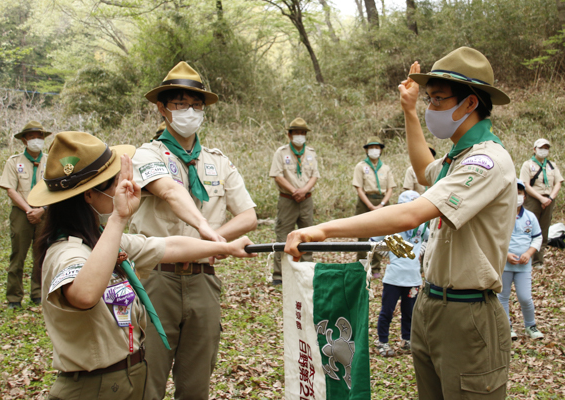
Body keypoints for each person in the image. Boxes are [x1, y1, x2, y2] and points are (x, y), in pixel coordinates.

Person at [285, 47, 516, 399]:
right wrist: (409, 110)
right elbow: (426, 170)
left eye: (438, 100)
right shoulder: (459, 158)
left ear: (470, 104)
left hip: (468, 313)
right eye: (429, 100)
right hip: (432, 301)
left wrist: (324, 229)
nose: (431, 109)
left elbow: (410, 213)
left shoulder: (486, 162)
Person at [27, 131, 255, 400]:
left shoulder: (102, 240)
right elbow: (84, 294)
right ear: (90, 195)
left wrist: (224, 247)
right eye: (113, 184)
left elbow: (167, 246)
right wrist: (118, 218)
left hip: (123, 381)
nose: (121, 189)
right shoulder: (67, 251)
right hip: (92, 389)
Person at [130, 61, 257, 400]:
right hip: (156, 278)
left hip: (203, 279)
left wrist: (206, 243)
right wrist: (207, 231)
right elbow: (170, 191)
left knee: (196, 383)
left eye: (196, 104)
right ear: (162, 108)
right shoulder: (147, 154)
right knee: (147, 379)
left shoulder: (218, 161)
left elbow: (248, 216)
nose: (189, 111)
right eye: (179, 103)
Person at [0, 121, 51, 309]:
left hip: (44, 212)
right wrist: (29, 210)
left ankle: (38, 294)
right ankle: (14, 297)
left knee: (41, 254)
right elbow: (11, 189)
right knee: (18, 255)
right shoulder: (14, 162)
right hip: (21, 213)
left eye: (39, 136)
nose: (36, 140)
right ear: (24, 140)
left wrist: (42, 210)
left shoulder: (51, 160)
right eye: (32, 137)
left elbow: (55, 189)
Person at [370, 190, 428, 357]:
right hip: (393, 278)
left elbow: (428, 239)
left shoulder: (421, 226)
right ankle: (383, 341)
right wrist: (391, 254)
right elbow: (373, 241)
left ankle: (407, 339)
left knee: (409, 311)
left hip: (413, 279)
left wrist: (419, 254)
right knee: (387, 311)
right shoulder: (392, 225)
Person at [269, 117, 320, 286]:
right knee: (283, 236)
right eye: (296, 133)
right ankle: (279, 275)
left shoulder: (311, 153)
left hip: (306, 201)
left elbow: (315, 176)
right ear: (290, 135)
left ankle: (306, 271)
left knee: (307, 236)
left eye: (302, 133)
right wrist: (293, 191)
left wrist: (304, 190)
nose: (300, 136)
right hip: (287, 200)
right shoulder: (281, 153)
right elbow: (277, 175)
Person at [498, 179, 544, 340]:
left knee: (525, 297)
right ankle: (507, 327)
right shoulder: (500, 215)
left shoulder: (530, 217)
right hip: (505, 265)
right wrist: (506, 255)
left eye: (520, 193)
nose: (517, 196)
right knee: (502, 297)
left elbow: (537, 238)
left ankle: (531, 325)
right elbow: (494, 240)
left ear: (524, 196)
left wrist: (529, 253)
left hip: (524, 266)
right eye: (514, 193)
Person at [352, 136, 396, 278]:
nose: (374, 150)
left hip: (382, 201)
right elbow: (359, 188)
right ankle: (361, 267)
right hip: (366, 201)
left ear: (381, 150)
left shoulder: (386, 168)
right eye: (371, 148)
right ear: (366, 150)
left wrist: (382, 204)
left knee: (380, 235)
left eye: (377, 148)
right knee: (363, 234)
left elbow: (390, 188)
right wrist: (370, 205)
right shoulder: (360, 167)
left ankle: (376, 268)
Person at [520, 138, 563, 268]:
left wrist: (550, 197)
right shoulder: (527, 165)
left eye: (546, 148)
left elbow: (558, 182)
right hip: (533, 199)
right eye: (541, 148)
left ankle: (538, 261)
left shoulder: (552, 165)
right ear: (534, 149)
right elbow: (525, 185)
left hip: (549, 200)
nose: (544, 150)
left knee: (543, 230)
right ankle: (524, 258)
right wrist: (541, 198)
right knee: (529, 228)